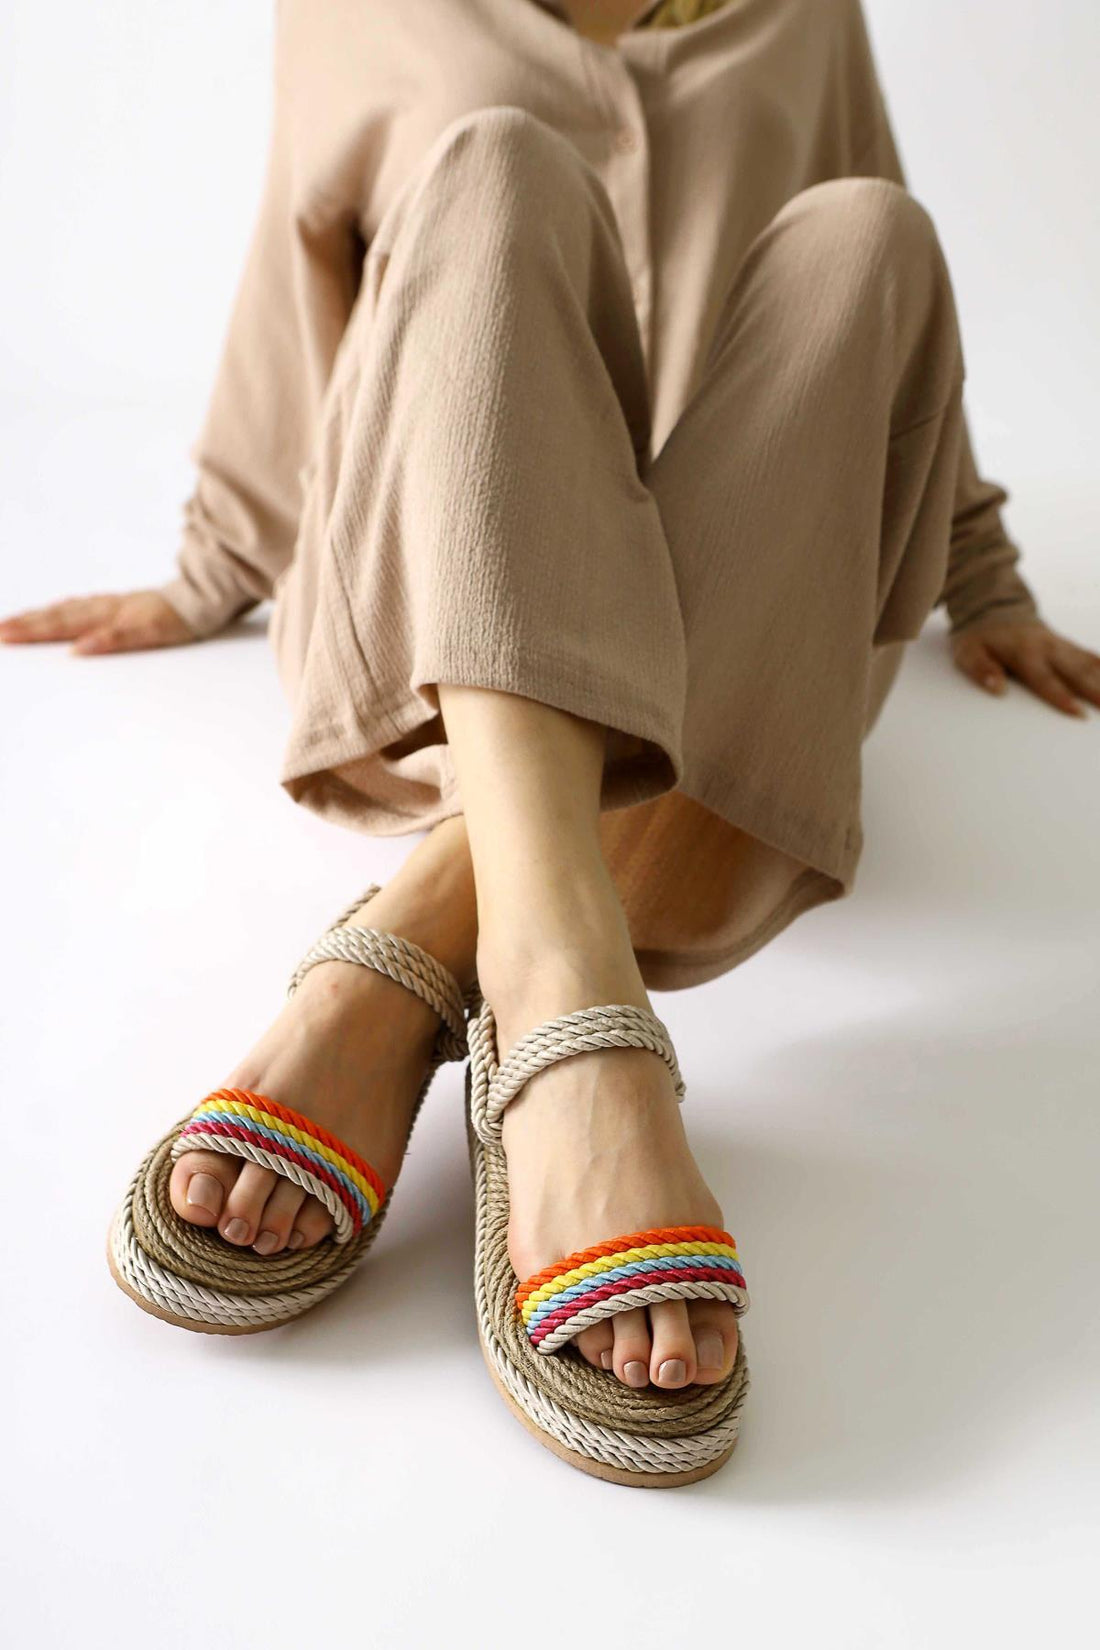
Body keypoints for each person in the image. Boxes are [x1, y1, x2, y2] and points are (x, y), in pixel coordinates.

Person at [3, 0, 1097, 1399]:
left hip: (743, 597)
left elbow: (884, 345)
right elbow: (295, 282)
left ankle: (428, 929)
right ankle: (569, 983)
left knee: (871, 232)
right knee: (493, 162)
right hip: (444, 585)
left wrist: (984, 575)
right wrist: (214, 566)